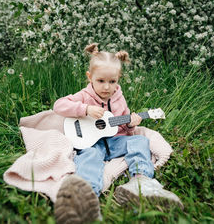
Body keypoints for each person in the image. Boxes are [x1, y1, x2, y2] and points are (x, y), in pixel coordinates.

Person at [53, 43, 183, 223]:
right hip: (93, 144)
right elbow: (58, 106)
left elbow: (123, 128)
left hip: (115, 141)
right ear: (90, 77)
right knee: (88, 156)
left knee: (139, 140)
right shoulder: (84, 96)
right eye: (101, 81)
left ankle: (140, 180)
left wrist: (130, 124)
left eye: (112, 82)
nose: (107, 87)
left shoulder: (118, 99)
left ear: (118, 79)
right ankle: (86, 195)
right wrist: (85, 109)